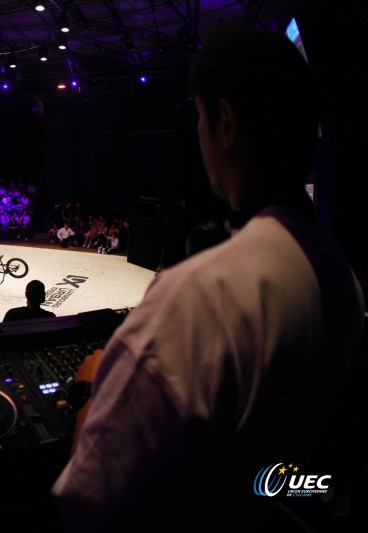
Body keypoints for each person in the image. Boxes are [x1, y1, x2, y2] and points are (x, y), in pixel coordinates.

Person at [51, 28, 364, 532]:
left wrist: (91, 390)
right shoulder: (339, 274)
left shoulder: (201, 293)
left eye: (197, 116)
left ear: (224, 122)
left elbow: (87, 497)